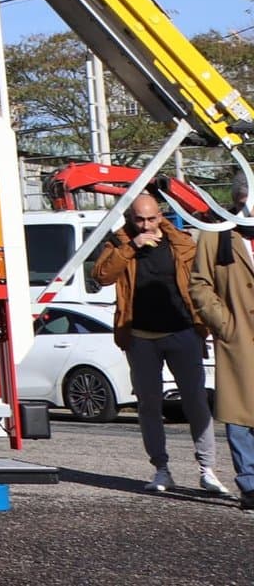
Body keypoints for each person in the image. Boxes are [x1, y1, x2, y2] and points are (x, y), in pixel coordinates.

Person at [93, 193, 229, 494]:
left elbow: (202, 271)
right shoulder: (120, 242)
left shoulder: (178, 240)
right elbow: (101, 275)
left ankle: (208, 470)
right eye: (139, 219)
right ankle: (161, 469)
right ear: (130, 217)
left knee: (196, 402)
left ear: (160, 215)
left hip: (183, 331)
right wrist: (131, 247)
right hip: (139, 336)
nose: (145, 225)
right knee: (149, 405)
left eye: (151, 218)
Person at [192, 185, 254, 511]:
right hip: (239, 338)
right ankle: (250, 484)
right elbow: (200, 284)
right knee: (240, 418)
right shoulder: (216, 234)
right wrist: (223, 323)